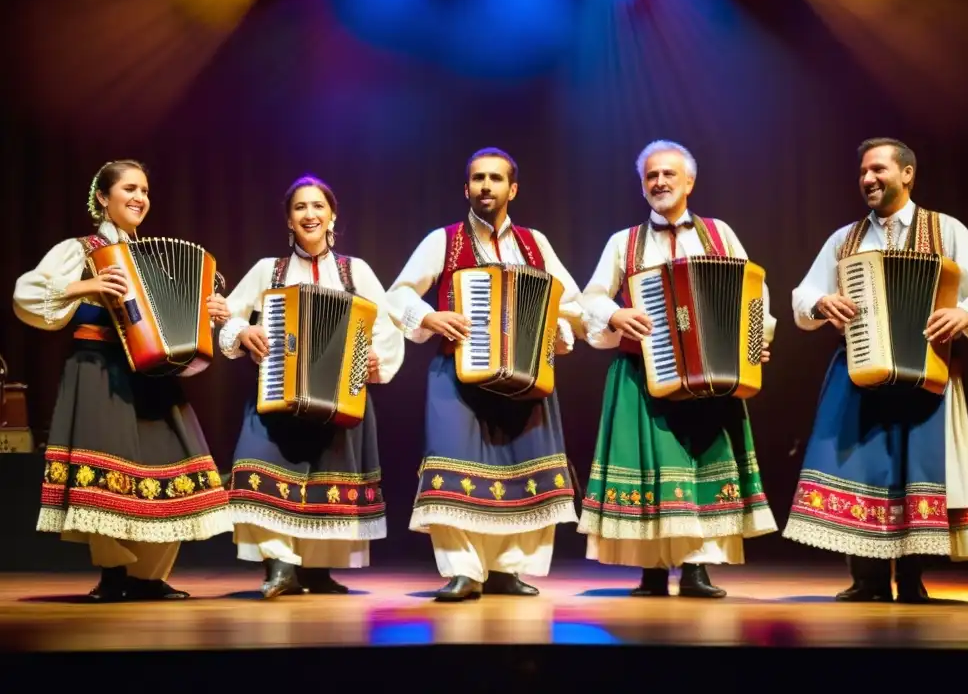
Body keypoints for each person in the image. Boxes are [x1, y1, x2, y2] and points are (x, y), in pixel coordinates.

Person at [782, 137, 968, 602]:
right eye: (863, 171)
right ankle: (865, 580)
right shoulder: (843, 239)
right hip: (859, 371)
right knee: (858, 470)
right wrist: (823, 301)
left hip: (925, 370)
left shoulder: (944, 230)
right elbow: (802, 297)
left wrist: (966, 313)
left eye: (879, 169)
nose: (868, 178)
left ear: (907, 173)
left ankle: (910, 579)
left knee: (916, 470)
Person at [13, 159, 233, 602]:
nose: (139, 198)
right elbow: (27, 294)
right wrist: (84, 288)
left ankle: (149, 577)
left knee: (170, 469)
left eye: (145, 191)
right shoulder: (84, 251)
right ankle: (113, 575)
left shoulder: (155, 258)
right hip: (99, 369)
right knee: (106, 469)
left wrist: (208, 317)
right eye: (130, 188)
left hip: (151, 376)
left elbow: (180, 336)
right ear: (102, 197)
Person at [577, 140, 777, 598]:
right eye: (651, 176)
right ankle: (649, 569)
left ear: (689, 181)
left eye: (669, 174)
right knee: (651, 471)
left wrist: (752, 344)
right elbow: (589, 297)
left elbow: (753, 292)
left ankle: (696, 568)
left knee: (702, 469)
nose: (660, 182)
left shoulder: (719, 233)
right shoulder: (622, 242)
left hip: (711, 379)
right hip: (643, 375)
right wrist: (613, 315)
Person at [385, 147, 582, 601]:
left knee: (523, 464)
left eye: (495, 178)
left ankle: (507, 569)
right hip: (457, 372)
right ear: (466, 188)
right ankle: (463, 571)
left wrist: (557, 330)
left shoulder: (536, 243)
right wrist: (430, 317)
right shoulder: (445, 240)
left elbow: (571, 305)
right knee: (453, 463)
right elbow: (397, 296)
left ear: (512, 189)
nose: (486, 186)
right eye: (478, 178)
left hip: (527, 374)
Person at [208, 175, 404, 599]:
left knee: (328, 478)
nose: (310, 214)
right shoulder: (268, 271)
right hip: (277, 394)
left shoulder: (357, 271)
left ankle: (316, 571)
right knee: (259, 468)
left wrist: (375, 360)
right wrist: (242, 333)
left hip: (340, 398)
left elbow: (386, 328)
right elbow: (226, 316)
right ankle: (279, 566)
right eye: (300, 207)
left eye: (318, 206)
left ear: (332, 215)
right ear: (288, 220)